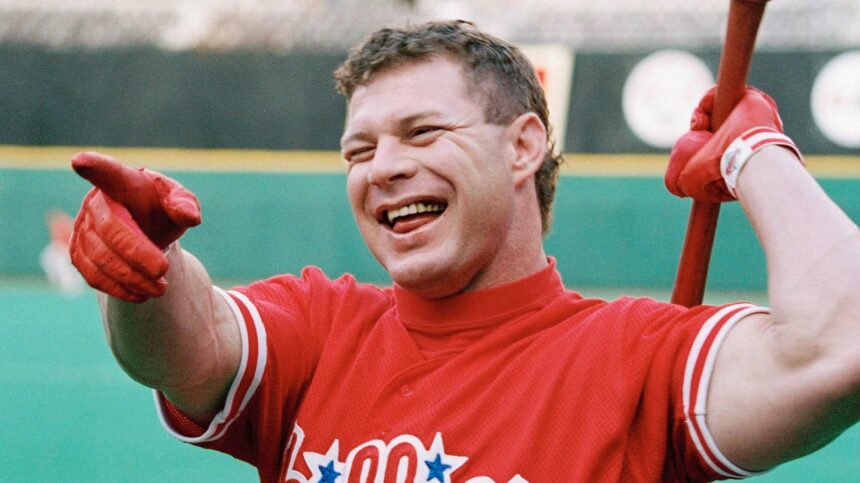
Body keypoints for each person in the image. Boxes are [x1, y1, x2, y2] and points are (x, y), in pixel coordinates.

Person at [68, 20, 858, 483]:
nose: (382, 167)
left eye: (422, 133)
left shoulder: (640, 358)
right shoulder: (320, 327)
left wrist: (754, 152)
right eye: (359, 150)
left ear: (523, 147)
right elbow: (195, 344)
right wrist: (146, 271)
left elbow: (838, 349)